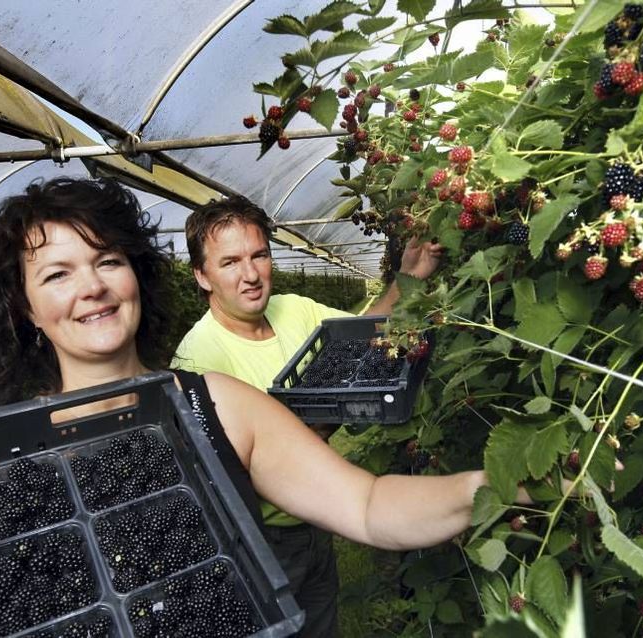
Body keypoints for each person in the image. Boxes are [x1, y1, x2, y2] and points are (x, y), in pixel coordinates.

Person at [0, 177, 534, 637]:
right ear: (23, 309)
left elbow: (368, 506)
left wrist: (503, 483)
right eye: (56, 275)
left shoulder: (218, 405)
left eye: (108, 261)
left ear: (137, 276)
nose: (92, 287)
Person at [172, 195, 443, 636]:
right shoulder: (198, 363)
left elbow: (362, 336)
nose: (250, 275)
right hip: (263, 542)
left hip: (318, 520)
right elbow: (214, 478)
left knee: (321, 622)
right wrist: (300, 437)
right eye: (230, 263)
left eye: (259, 255)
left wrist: (408, 276)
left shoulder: (295, 309)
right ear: (202, 276)